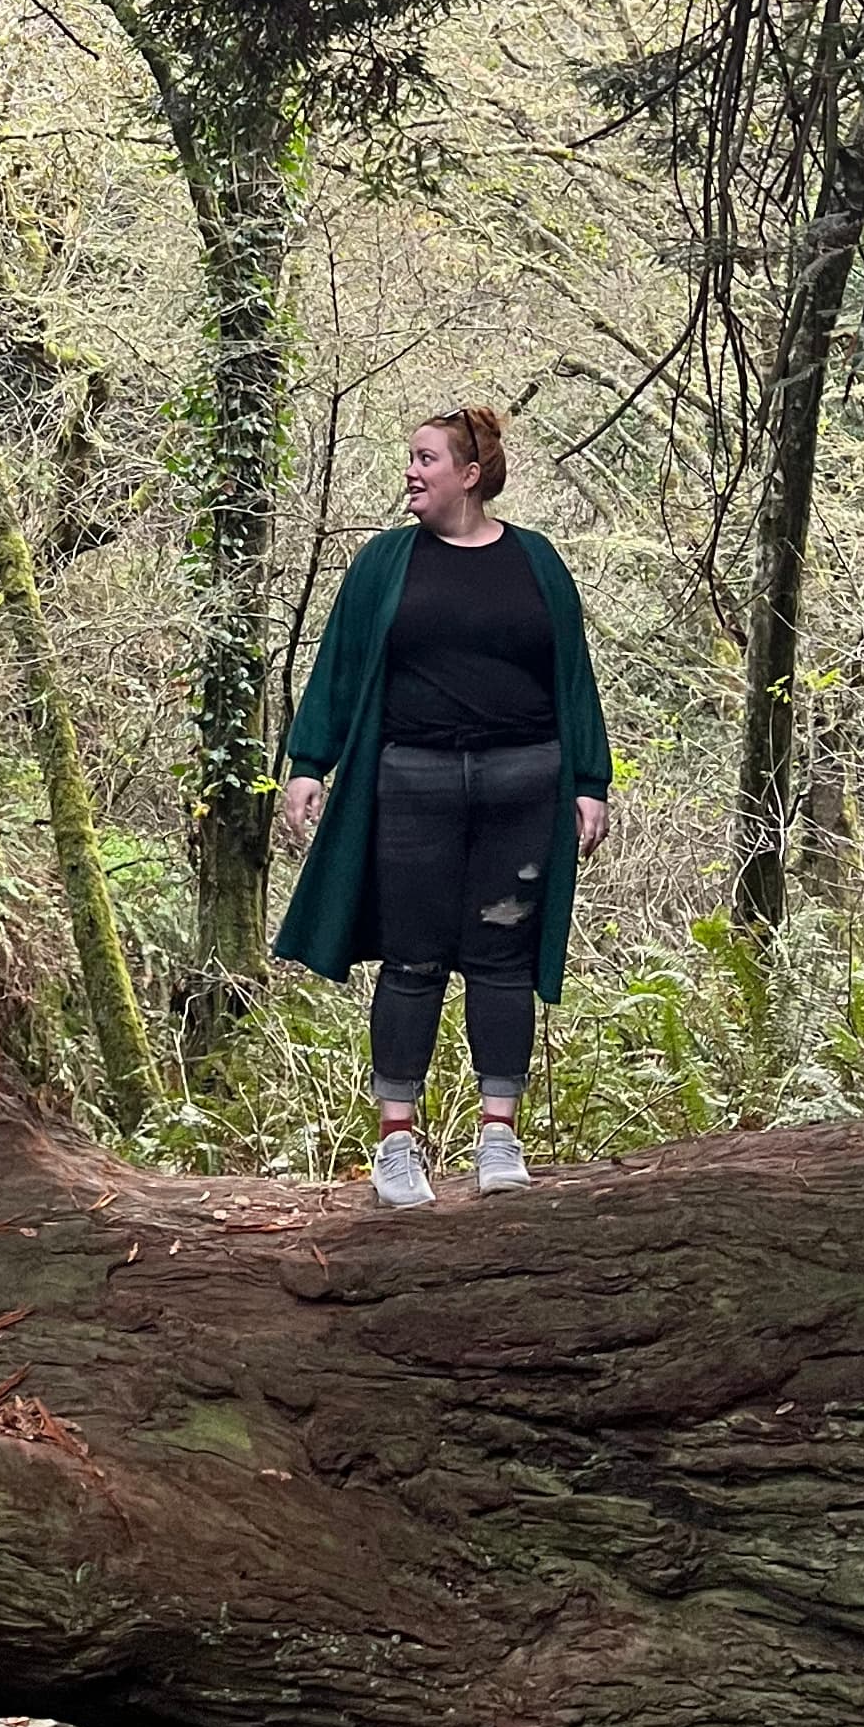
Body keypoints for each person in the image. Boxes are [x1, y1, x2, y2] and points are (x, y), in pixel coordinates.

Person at [271, 403, 612, 1205]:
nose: (411, 473)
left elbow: (573, 675)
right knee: (414, 960)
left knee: (503, 961)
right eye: (410, 459)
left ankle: (499, 1140)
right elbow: (341, 665)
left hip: (523, 783)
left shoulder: (537, 562)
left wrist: (590, 781)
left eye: (426, 459)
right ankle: (397, 1146)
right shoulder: (385, 563)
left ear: (470, 473)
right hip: (412, 784)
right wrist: (309, 762)